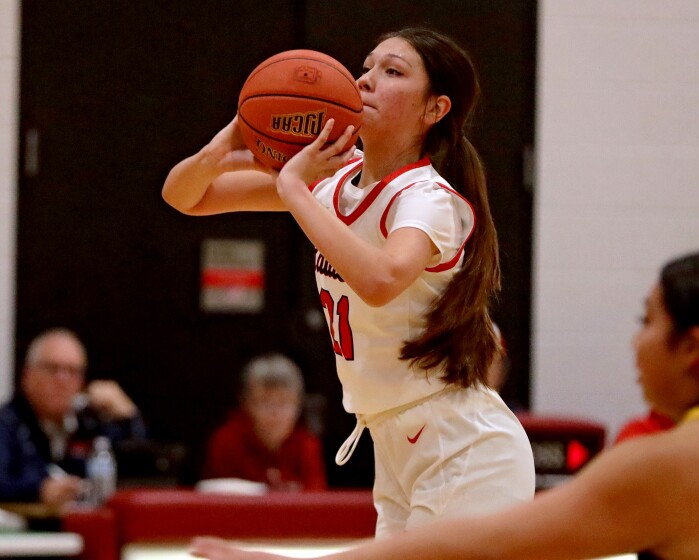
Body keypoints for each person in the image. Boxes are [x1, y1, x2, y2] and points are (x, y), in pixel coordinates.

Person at [192, 248, 699, 559]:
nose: (637, 342)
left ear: (693, 348)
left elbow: (475, 545)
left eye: (648, 321)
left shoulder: (678, 462)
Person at [162, 27, 534, 535]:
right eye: (367, 67)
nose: (365, 80)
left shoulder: (426, 198)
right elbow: (187, 197)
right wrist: (224, 143)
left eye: (393, 72)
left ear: (435, 109)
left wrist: (293, 187)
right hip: (396, 442)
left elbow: (381, 280)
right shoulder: (334, 178)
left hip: (462, 444)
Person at [0, 328, 146, 508]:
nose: (62, 380)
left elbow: (139, 466)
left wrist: (128, 416)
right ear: (27, 375)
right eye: (53, 369)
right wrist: (37, 490)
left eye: (72, 371)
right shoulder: (7, 424)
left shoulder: (88, 425)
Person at [202, 353, 327, 491]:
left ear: (298, 405)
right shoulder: (226, 442)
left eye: (284, 402)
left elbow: (316, 499)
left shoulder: (307, 445)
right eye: (264, 402)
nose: (275, 412)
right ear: (246, 403)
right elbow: (215, 497)